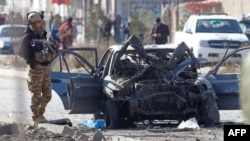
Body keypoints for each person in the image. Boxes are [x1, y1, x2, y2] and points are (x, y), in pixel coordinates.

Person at [18, 11, 59, 123]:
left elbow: (50, 50)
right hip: (35, 69)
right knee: (36, 95)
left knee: (48, 94)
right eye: (38, 22)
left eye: (41, 22)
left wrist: (53, 46)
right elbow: (21, 52)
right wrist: (31, 57)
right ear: (33, 23)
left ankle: (40, 113)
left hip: (45, 68)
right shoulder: (28, 36)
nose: (41, 24)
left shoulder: (43, 35)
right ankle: (36, 116)